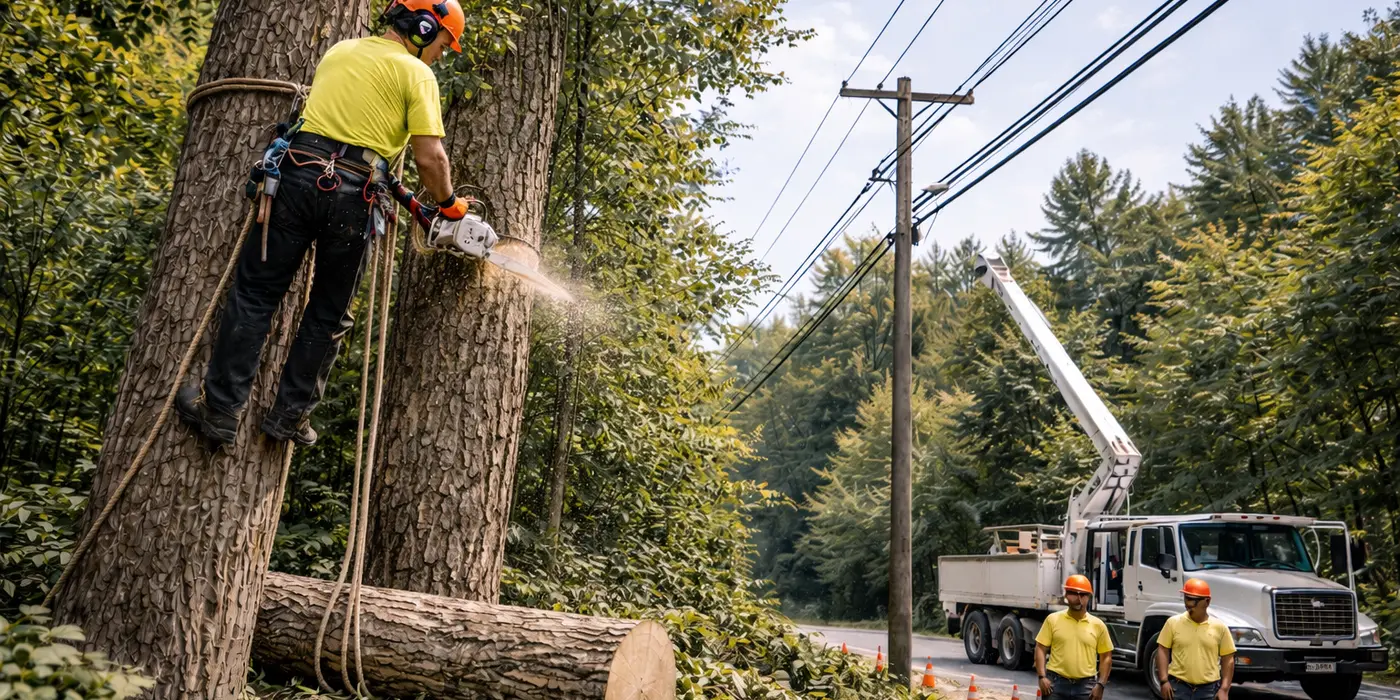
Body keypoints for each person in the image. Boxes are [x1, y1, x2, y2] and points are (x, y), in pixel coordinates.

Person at [176, 0, 472, 448]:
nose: (443, 53)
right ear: (425, 28)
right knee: (327, 314)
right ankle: (289, 417)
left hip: (294, 178)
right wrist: (449, 205)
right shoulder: (418, 75)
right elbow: (431, 157)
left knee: (256, 294)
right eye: (445, 42)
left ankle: (220, 411)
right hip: (355, 197)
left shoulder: (340, 51)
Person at [1036, 574, 1114, 700]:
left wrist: (1100, 684)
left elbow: (1106, 657)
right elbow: (1040, 648)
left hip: (1085, 687)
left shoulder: (1098, 625)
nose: (1078, 598)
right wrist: (1042, 677)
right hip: (1056, 684)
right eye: (1073, 593)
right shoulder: (1053, 620)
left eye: (1083, 594)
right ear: (1066, 595)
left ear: (1088, 597)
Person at [1156, 578, 1235, 700]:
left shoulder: (1220, 627)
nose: (1188, 604)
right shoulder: (1173, 623)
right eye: (1186, 598)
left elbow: (1228, 659)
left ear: (1207, 602)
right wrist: (1164, 681)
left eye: (1193, 600)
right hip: (1178, 688)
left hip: (1208, 691)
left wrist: (1224, 689)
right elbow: (1162, 650)